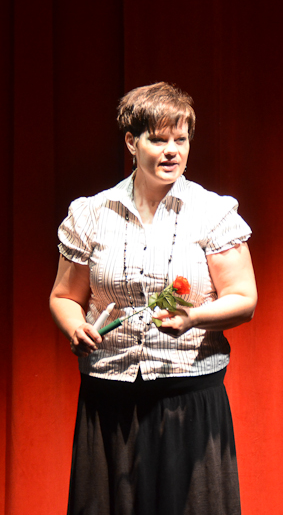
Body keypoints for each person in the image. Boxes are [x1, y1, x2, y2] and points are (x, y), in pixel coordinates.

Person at [49, 82, 258, 515]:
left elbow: (243, 298)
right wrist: (75, 326)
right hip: (110, 398)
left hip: (187, 400)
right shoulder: (91, 213)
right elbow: (64, 297)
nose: (171, 151)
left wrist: (193, 317)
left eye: (179, 140)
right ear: (132, 141)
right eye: (158, 139)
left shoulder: (212, 212)